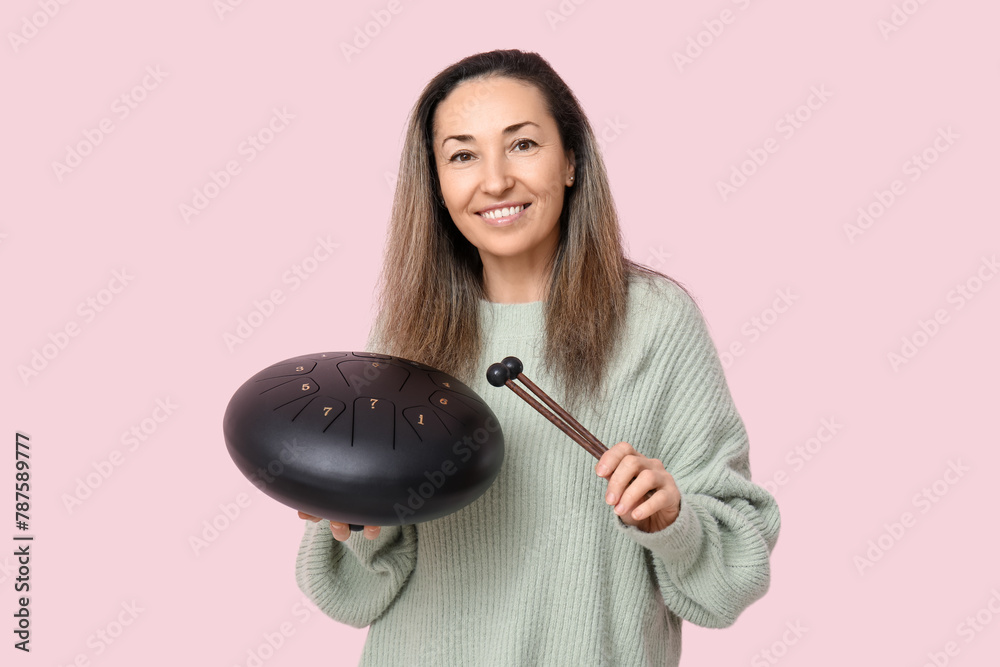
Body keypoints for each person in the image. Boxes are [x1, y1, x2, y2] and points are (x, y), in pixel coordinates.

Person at [295, 49, 781, 666]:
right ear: (438, 185)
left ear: (572, 161)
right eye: (463, 155)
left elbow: (729, 582)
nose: (495, 180)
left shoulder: (657, 321)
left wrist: (672, 519)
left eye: (522, 145)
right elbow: (357, 594)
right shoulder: (408, 331)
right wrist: (354, 518)